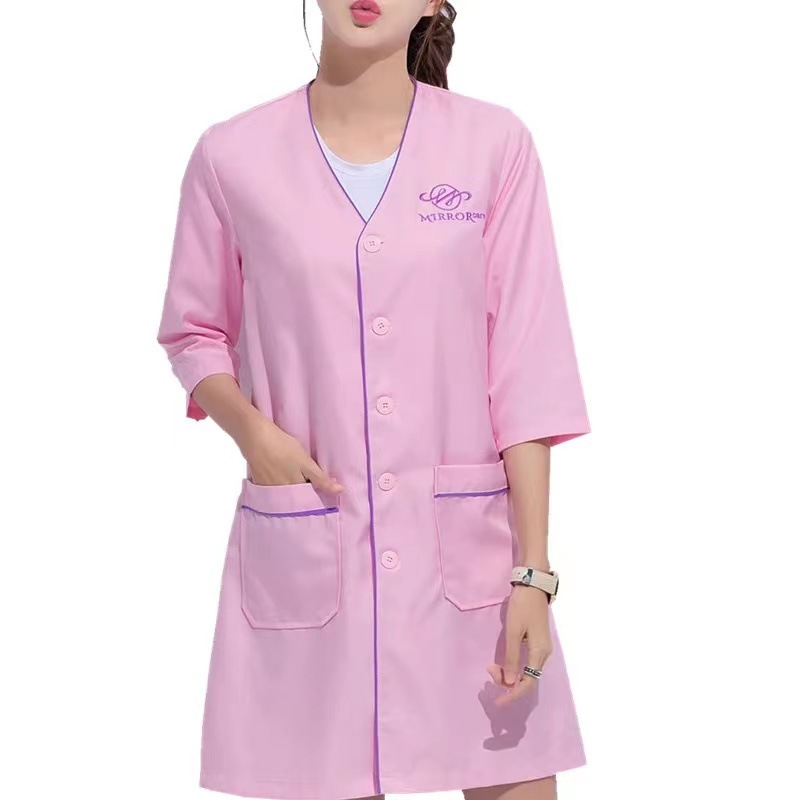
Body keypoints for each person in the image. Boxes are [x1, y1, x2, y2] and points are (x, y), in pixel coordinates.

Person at [156, 2, 591, 799]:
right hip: (312, 551)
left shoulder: (494, 147)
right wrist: (253, 434)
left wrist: (533, 573)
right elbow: (194, 331)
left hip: (471, 569)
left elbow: (527, 371)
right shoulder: (232, 156)